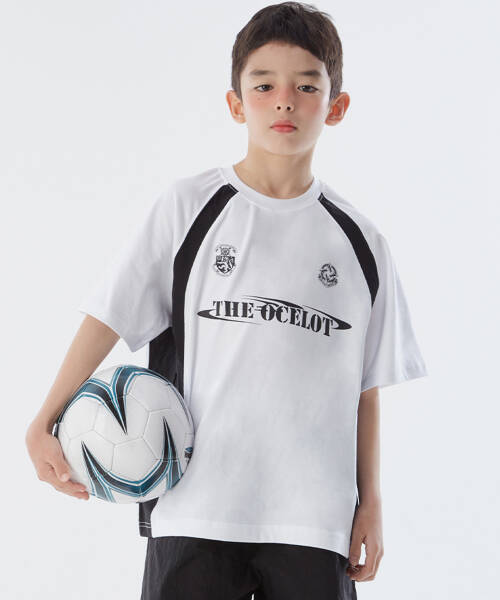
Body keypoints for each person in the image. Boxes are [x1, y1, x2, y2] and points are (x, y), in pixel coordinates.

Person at [25, 2, 428, 599]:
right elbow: (110, 314)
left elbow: (364, 389)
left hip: (314, 521)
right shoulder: (189, 207)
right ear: (236, 103)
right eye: (264, 86)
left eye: (306, 86)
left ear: (336, 106)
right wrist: (44, 419)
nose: (284, 101)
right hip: (196, 507)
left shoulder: (361, 243)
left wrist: (371, 503)